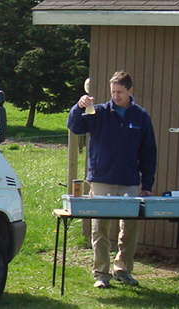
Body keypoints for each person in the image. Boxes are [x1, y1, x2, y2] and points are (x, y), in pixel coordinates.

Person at [67, 70, 157, 289]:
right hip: (101, 179)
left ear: (130, 91)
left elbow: (148, 152)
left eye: (120, 92)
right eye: (113, 92)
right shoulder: (97, 112)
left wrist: (147, 185)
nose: (115, 96)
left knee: (130, 229)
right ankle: (101, 274)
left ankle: (123, 271)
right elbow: (75, 126)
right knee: (100, 228)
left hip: (129, 182)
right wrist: (78, 107)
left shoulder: (141, 116)